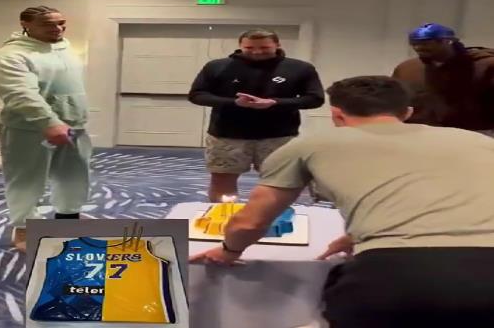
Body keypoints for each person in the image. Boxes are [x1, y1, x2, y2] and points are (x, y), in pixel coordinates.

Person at [190, 76, 494, 327]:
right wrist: (355, 235)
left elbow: (251, 222)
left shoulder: (309, 145)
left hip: (397, 275)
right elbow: (433, 192)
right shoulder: (476, 141)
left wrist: (229, 251)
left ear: (336, 114)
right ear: (407, 112)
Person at [0, 6, 92, 252]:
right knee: (26, 180)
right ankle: (25, 228)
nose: (58, 28)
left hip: (73, 125)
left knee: (73, 176)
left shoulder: (65, 49)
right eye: (48, 24)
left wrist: (71, 120)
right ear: (25, 24)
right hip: (28, 129)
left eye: (61, 22)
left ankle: (68, 218)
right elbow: (20, 94)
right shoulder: (10, 55)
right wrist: (49, 122)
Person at [188, 28, 324, 202]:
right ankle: (223, 213)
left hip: (279, 137)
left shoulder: (300, 68)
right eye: (249, 48)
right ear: (240, 45)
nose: (257, 52)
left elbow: (315, 99)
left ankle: (272, 215)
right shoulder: (217, 66)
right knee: (222, 180)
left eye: (264, 48)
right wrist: (233, 103)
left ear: (277, 45)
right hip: (227, 136)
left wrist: (275, 103)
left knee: (280, 182)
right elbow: (197, 95)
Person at [392, 22, 494, 135]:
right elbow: (396, 102)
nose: (418, 48)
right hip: (421, 133)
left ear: (447, 41)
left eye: (426, 43)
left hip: (474, 134)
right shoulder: (407, 69)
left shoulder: (485, 65)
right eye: (415, 44)